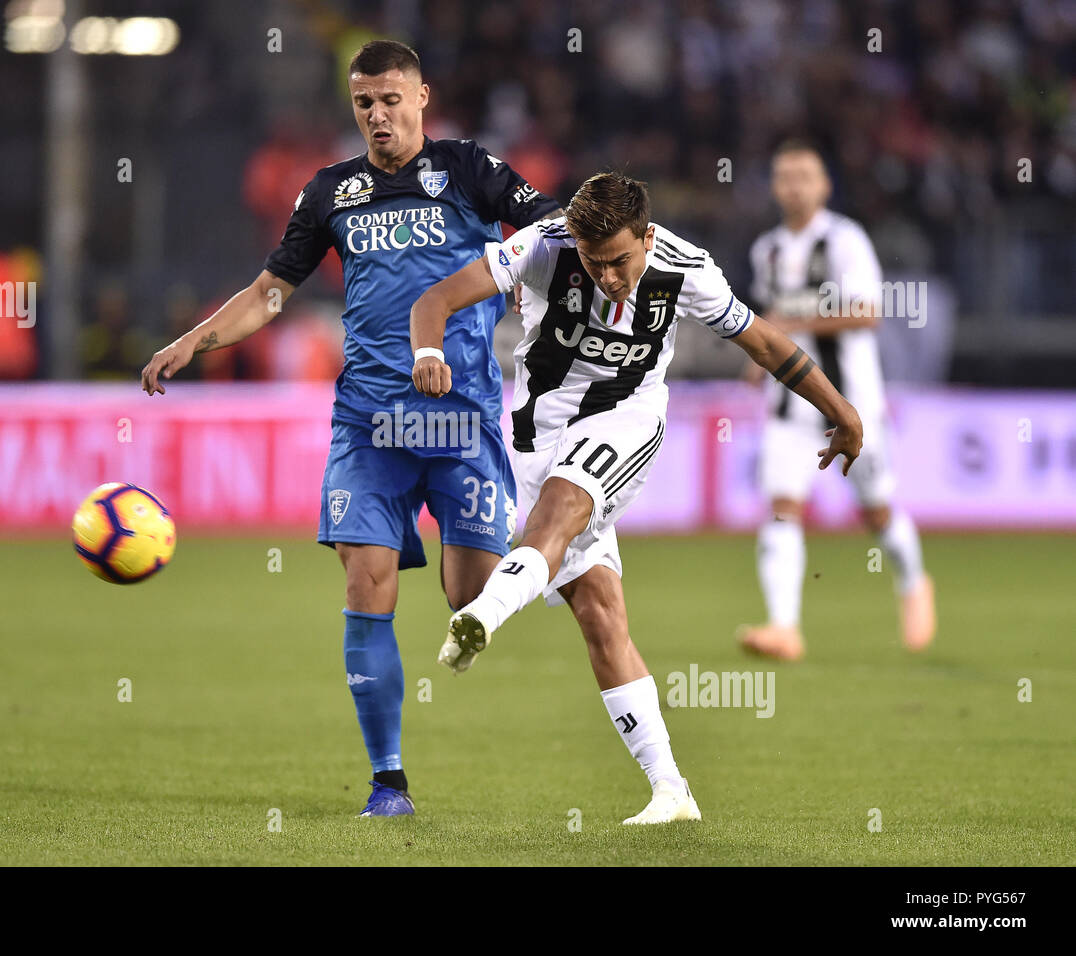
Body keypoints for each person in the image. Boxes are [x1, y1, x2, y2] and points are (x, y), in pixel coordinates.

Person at [140, 40, 562, 816]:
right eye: (364, 102)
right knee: (366, 581)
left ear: (422, 98)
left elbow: (551, 227)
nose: (377, 115)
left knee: (469, 599)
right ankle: (387, 781)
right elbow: (271, 292)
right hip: (370, 423)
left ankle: (540, 563)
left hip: (463, 422)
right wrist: (192, 339)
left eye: (391, 99)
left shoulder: (469, 169)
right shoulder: (331, 192)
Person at [408, 172, 862, 824]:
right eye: (595, 263)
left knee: (559, 512)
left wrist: (841, 410)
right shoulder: (543, 245)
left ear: (647, 237)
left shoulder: (686, 268)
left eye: (620, 260)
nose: (608, 277)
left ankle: (486, 616)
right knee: (599, 613)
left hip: (627, 424)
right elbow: (437, 299)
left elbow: (764, 342)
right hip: (536, 440)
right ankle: (672, 790)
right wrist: (427, 350)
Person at [737, 140, 935, 661]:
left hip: (851, 405)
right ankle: (785, 627)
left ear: (824, 185)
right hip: (788, 408)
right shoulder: (767, 250)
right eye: (784, 176)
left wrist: (795, 321)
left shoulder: (846, 239)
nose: (794, 185)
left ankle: (913, 583)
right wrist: (756, 364)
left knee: (876, 511)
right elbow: (768, 325)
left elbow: (868, 312)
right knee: (782, 507)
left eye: (805, 174)